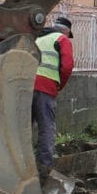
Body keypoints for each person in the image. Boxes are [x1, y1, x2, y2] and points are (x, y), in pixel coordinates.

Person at [32, 16, 74, 168]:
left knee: (24, 127)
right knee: (46, 127)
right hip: (46, 87)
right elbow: (67, 67)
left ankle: (23, 164)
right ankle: (44, 167)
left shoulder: (37, 38)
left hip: (25, 85)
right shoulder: (62, 39)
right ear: (66, 31)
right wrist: (59, 85)